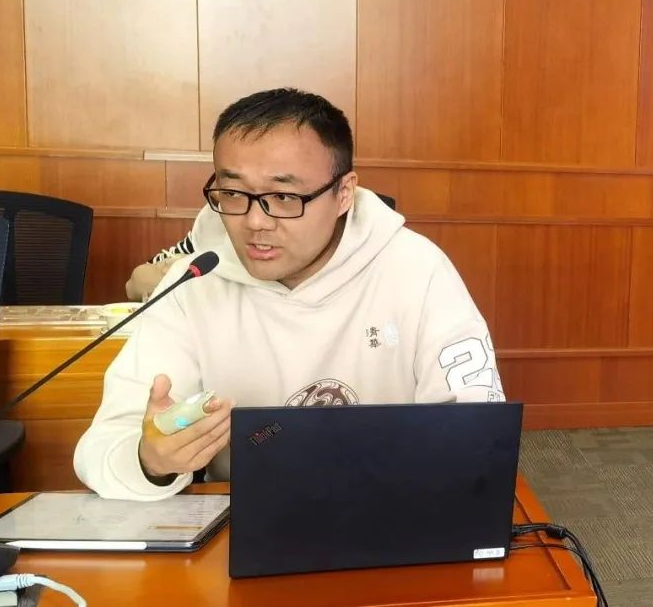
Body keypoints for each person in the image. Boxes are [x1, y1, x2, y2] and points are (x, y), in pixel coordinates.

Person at [74, 88, 505, 501]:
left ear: (343, 193)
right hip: (242, 520)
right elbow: (104, 445)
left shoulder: (417, 269)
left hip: (394, 510)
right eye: (234, 192)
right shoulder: (195, 282)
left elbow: (478, 435)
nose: (255, 222)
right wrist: (150, 462)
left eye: (283, 196)